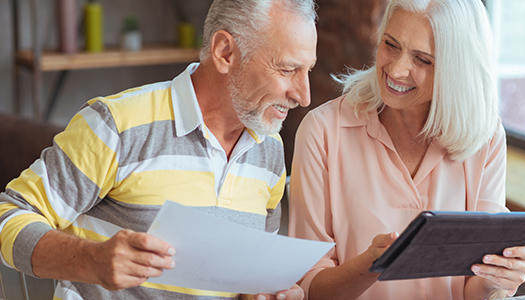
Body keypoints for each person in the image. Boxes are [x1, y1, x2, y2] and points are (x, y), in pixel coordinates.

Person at [0, 0, 316, 299]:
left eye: (308, 71)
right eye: (288, 70)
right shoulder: (118, 125)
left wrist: (267, 291)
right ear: (225, 52)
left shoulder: (270, 150)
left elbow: (250, 277)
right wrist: (91, 260)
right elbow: (9, 217)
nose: (304, 96)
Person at [288, 0, 525, 299]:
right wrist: (372, 264)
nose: (397, 68)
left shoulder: (487, 137)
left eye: (422, 60)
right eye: (391, 44)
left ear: (458, 70)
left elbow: (474, 291)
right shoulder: (323, 131)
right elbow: (309, 289)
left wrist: (497, 277)